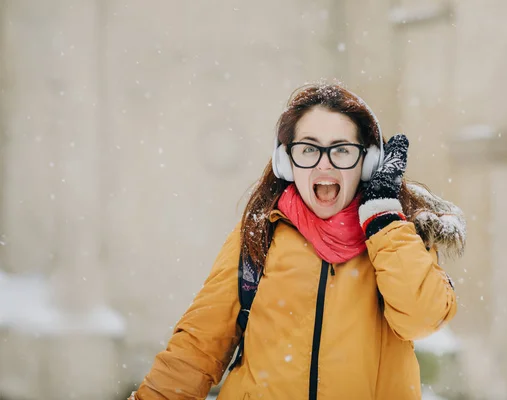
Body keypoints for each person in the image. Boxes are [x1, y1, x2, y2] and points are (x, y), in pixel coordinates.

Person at [129, 83, 466, 400]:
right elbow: (197, 350)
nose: (324, 163)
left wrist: (382, 218)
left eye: (342, 150)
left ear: (368, 163)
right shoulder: (260, 234)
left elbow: (422, 318)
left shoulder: (395, 238)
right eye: (308, 149)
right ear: (286, 161)